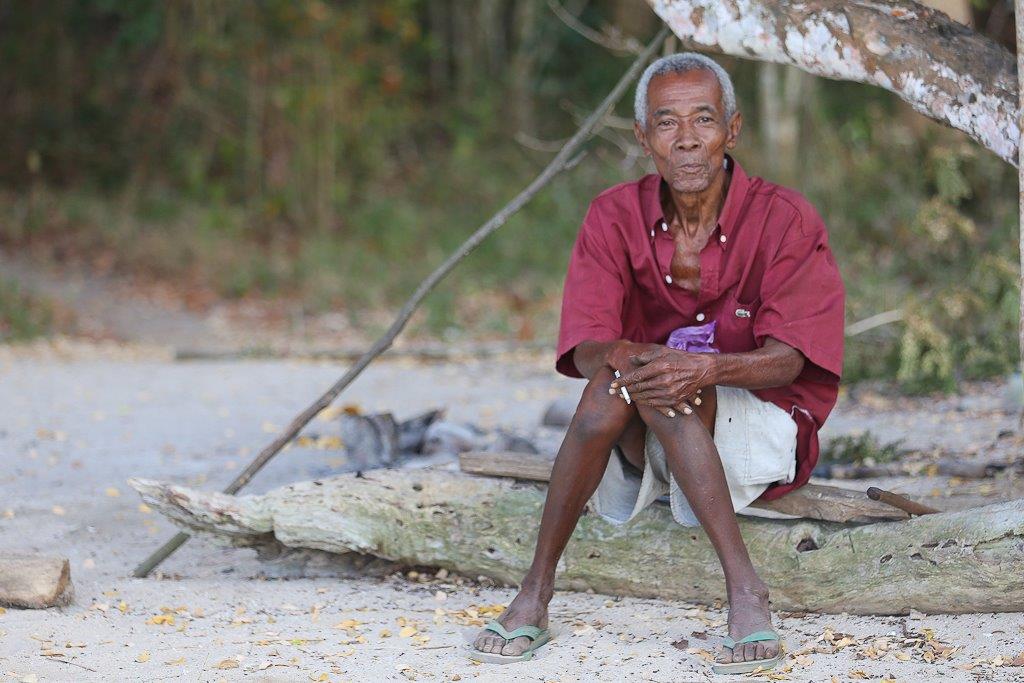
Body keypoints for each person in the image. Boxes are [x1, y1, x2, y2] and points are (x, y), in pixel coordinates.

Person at [470, 52, 845, 674]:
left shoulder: (785, 218)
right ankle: (536, 589)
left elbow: (787, 361)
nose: (688, 140)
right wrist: (631, 356)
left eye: (704, 119)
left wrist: (702, 369)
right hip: (654, 424)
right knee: (621, 381)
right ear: (644, 137)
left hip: (758, 424)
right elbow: (587, 347)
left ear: (733, 129)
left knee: (661, 382)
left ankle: (745, 590)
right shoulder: (613, 215)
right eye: (667, 124)